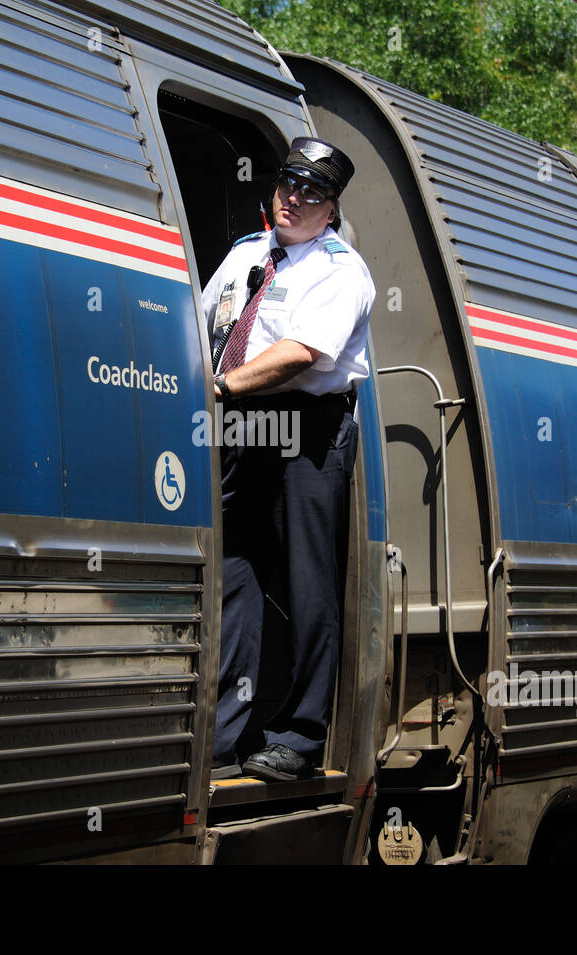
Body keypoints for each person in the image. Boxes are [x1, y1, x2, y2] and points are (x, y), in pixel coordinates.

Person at [199, 137, 375, 782]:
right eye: (288, 186)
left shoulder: (340, 267)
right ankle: (220, 736)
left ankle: (300, 740)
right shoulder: (248, 253)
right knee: (236, 575)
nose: (295, 199)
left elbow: (303, 352)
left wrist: (222, 386)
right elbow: (209, 325)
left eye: (313, 194)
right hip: (245, 424)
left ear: (331, 210)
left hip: (307, 427)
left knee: (307, 581)